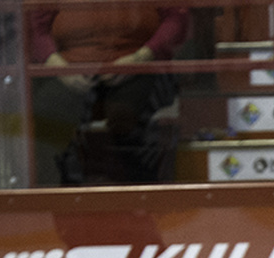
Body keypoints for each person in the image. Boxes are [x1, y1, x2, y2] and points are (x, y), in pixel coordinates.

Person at [29, 5, 189, 185]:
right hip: (68, 70)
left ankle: (141, 198)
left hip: (139, 66)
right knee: (46, 113)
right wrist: (60, 68)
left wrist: (139, 59)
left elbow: (176, 20)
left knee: (126, 115)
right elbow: (36, 29)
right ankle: (56, 199)